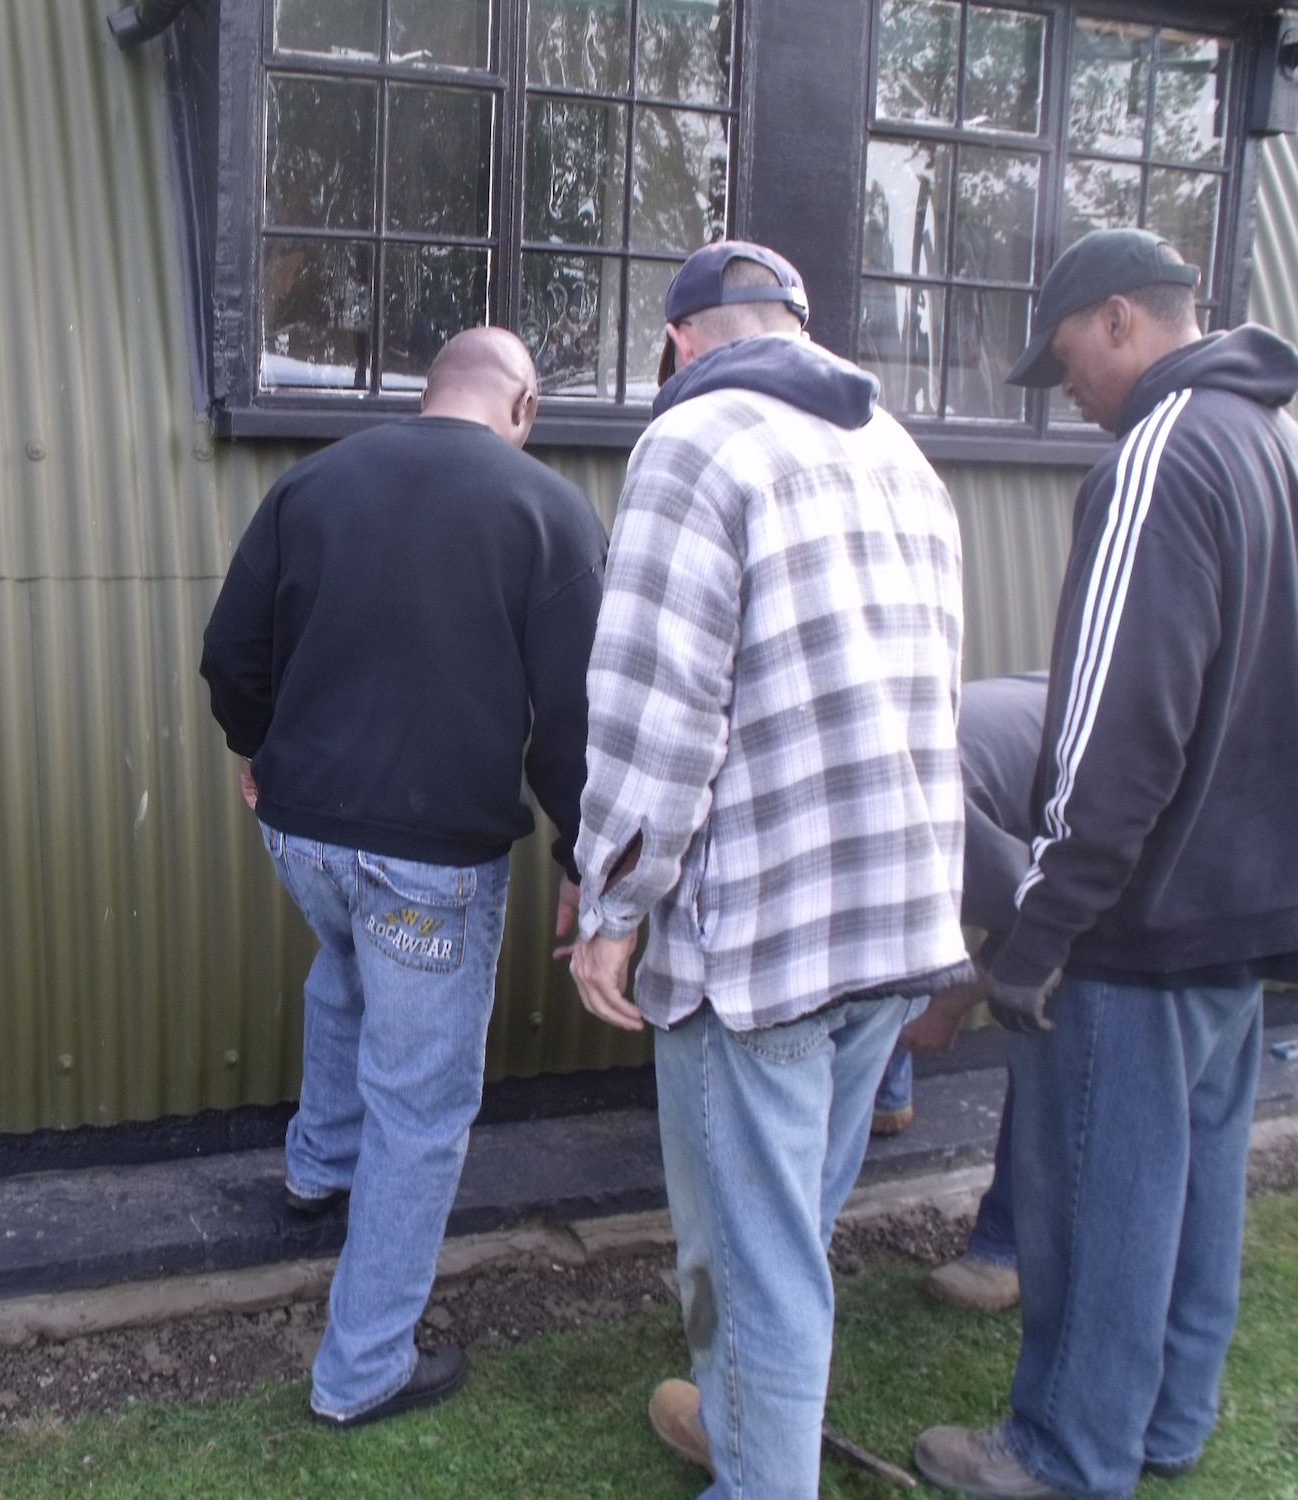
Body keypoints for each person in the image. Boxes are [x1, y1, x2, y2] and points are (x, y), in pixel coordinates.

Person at [564, 242, 971, 1498]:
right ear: (798, 325)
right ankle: (743, 1429)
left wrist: (609, 907)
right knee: (791, 1229)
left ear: (681, 342)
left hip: (759, 950)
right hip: (891, 923)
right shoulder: (897, 452)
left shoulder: (692, 445)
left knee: (755, 1259)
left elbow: (653, 703)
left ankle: (758, 1476)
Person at [913, 232, 1298, 1497]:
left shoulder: (1158, 452)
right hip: (1238, 916)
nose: (1065, 388)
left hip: (1131, 923)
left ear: (1122, 320)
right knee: (1190, 1190)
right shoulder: (1267, 449)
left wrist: (1042, 929)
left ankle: (1063, 1453)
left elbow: (1118, 720)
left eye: (1066, 353)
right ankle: (1166, 1423)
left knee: (1093, 1204)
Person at [200, 327, 606, 1429]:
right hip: (427, 864)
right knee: (421, 1106)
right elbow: (575, 724)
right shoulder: (545, 510)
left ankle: (316, 1172)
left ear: (427, 393)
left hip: (302, 833)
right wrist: (585, 859)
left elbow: (230, 654)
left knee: (342, 972)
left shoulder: (315, 483)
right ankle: (363, 1366)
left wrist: (259, 748)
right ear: (519, 407)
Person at [900, 671, 1049, 1313]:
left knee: (1054, 1040)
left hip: (1118, 843)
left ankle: (1004, 1251)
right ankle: (888, 1090)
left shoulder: (934, 801)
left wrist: (951, 1004)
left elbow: (1038, 918)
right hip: (1020, 770)